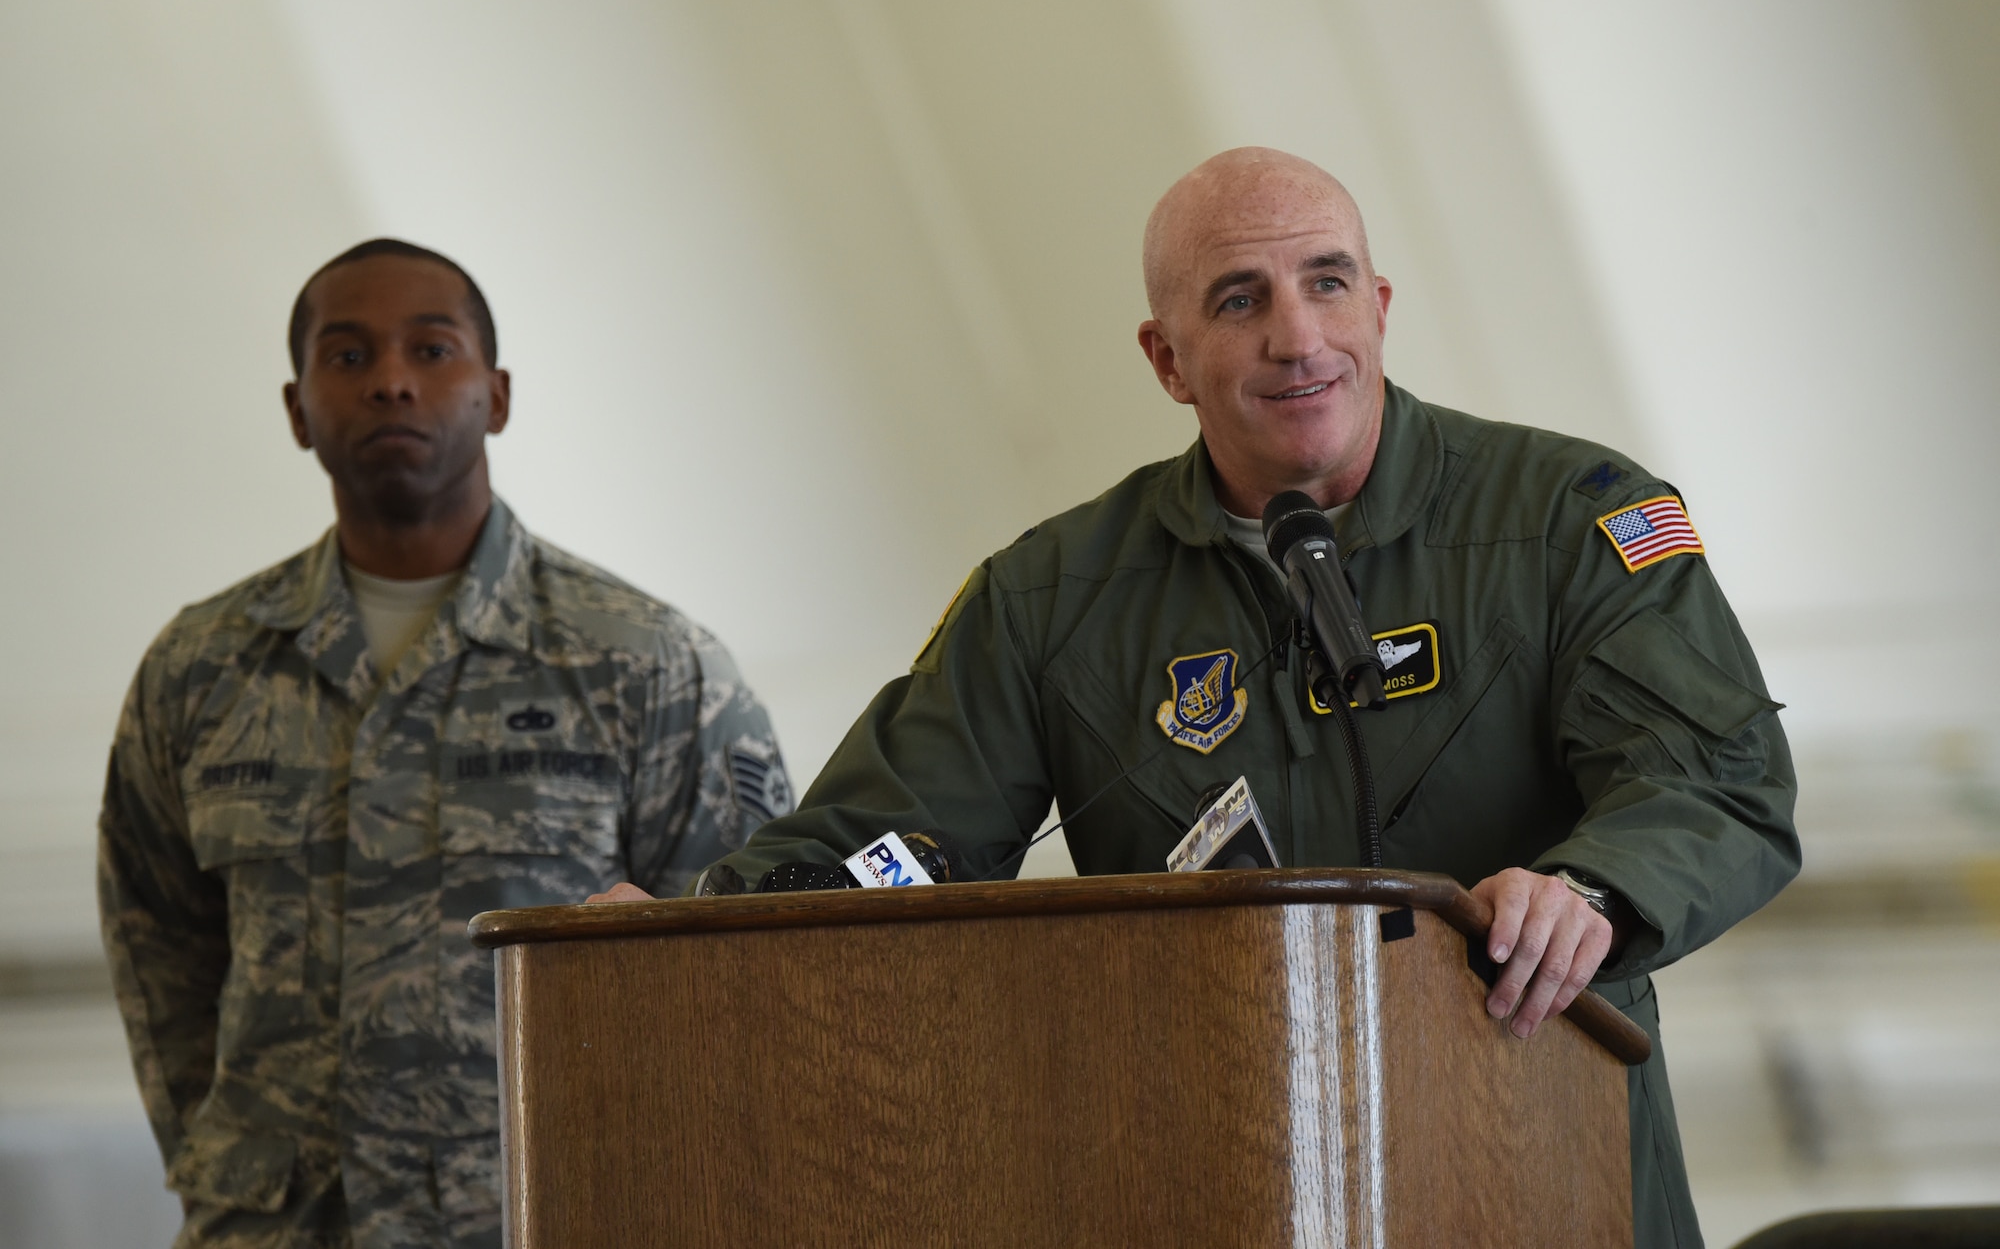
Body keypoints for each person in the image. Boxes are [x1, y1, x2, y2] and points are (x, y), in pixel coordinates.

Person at [604, 148, 1799, 1248]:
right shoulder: (1051, 597)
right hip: (1209, 1182)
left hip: (1539, 1155)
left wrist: (1588, 887)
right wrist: (693, 932)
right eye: (1238, 299)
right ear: (1165, 358)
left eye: (1326, 284)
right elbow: (895, 847)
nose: (1296, 336)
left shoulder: (1566, 518)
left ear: (1379, 310)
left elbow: (1715, 787)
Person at [98, 239, 792, 1249]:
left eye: (431, 350)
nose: (389, 382)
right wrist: (228, 1161)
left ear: (497, 395)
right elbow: (157, 949)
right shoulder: (203, 669)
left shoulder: (643, 662)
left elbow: (744, 968)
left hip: (541, 1218)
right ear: (296, 410)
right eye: (347, 357)